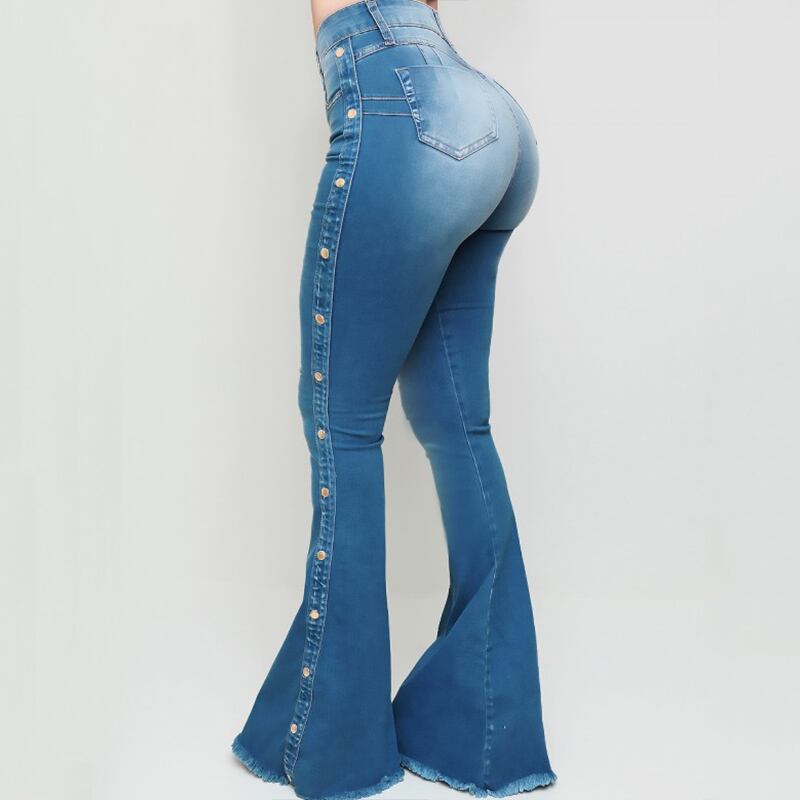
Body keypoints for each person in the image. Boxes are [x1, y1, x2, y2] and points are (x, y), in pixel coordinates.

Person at [231, 2, 556, 798]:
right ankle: (488, 743)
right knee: (457, 424)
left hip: (394, 91)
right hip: (488, 116)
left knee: (341, 425)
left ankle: (339, 749)